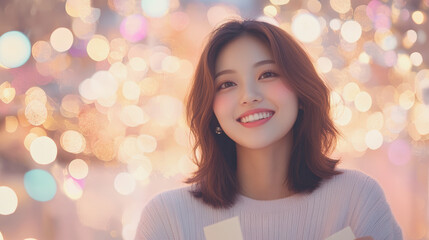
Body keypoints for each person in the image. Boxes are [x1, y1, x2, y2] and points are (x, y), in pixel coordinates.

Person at [135, 19, 403, 240]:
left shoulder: (356, 199)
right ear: (211, 110)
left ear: (300, 91)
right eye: (227, 84)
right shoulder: (169, 217)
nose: (249, 96)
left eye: (267, 74)